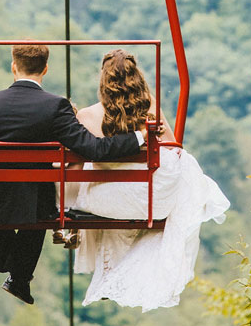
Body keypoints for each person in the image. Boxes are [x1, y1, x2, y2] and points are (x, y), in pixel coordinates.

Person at [0, 43, 146, 305]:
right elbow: (93, 149)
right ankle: (18, 276)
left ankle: (16, 274)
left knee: (9, 197)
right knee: (39, 207)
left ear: (13, 67)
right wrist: (137, 138)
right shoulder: (55, 107)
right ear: (45, 69)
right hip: (34, 202)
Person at [64, 49, 230, 311]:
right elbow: (174, 147)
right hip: (150, 198)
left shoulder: (87, 116)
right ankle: (119, 274)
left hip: (109, 200)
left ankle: (106, 269)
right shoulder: (150, 108)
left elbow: (74, 162)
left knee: (92, 187)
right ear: (136, 77)